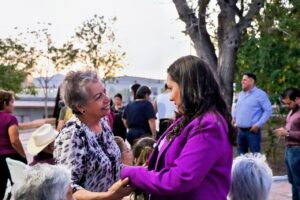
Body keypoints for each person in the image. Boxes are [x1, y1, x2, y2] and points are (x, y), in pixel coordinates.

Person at [121, 55, 237, 200]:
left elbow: (180, 179)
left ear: (188, 87)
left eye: (172, 88)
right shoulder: (189, 119)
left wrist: (130, 173)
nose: (170, 97)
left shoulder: (208, 125)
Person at [54, 70, 133, 200]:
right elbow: (67, 188)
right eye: (98, 97)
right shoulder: (73, 135)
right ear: (80, 107)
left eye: (105, 92)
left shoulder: (102, 123)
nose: (108, 99)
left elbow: (111, 166)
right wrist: (107, 196)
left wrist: (142, 173)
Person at [232, 72, 272, 154]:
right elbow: (237, 108)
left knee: (255, 158)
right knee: (241, 157)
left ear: (252, 81)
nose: (242, 82)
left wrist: (258, 124)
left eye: (244, 80)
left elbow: (268, 110)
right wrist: (234, 117)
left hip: (252, 132)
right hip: (240, 132)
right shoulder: (241, 94)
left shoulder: (260, 94)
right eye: (242, 80)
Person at [0, 89, 27, 199]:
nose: (13, 105)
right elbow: (14, 140)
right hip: (10, 157)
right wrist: (23, 156)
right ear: (5, 103)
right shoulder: (10, 118)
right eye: (12, 102)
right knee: (19, 188)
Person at [275, 87, 300, 200]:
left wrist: (288, 133)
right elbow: (290, 126)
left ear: (297, 99)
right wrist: (283, 130)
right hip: (289, 150)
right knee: (292, 181)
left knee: (299, 181)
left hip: (297, 150)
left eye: (289, 103)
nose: (288, 106)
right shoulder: (292, 111)